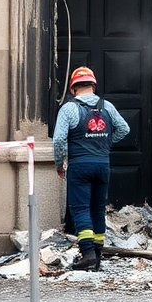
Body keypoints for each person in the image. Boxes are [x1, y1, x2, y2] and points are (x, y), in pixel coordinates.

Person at [51, 66, 131, 272]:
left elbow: (59, 139)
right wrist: (104, 144)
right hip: (102, 165)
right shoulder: (108, 107)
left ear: (73, 88)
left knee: (80, 209)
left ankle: (87, 254)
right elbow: (124, 128)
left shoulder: (69, 109)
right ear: (93, 85)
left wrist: (59, 163)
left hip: (80, 165)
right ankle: (97, 255)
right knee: (97, 208)